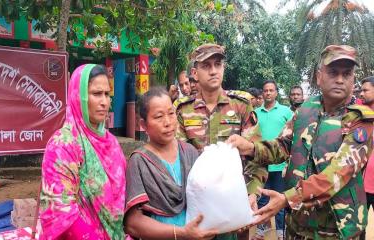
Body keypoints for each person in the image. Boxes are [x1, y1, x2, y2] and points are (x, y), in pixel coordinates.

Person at [227, 45, 374, 239]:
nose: (340, 79)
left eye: (346, 74)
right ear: (319, 76)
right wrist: (251, 147)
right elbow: (284, 145)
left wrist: (287, 199)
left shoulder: (360, 119)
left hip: (337, 229)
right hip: (298, 225)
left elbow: (337, 174)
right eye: (333, 72)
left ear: (353, 79)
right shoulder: (306, 109)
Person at [176, 43, 268, 239]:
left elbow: (256, 155)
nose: (213, 71)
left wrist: (251, 195)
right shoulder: (182, 110)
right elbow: (178, 160)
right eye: (206, 66)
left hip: (234, 207)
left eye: (218, 64)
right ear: (195, 72)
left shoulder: (241, 105)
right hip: (197, 210)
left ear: (224, 68)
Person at [39, 64, 127, 239]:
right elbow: (61, 210)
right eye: (96, 94)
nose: (104, 102)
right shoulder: (63, 145)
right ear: (78, 96)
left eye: (107, 94)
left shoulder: (112, 143)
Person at [124, 87, 217, 240]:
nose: (167, 122)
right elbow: (133, 223)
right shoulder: (139, 161)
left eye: (171, 113)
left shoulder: (190, 152)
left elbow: (203, 199)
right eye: (159, 116)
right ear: (144, 124)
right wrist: (181, 233)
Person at [254, 80, 293, 240]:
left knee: (280, 201)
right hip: (261, 166)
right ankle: (260, 231)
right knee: (261, 199)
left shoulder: (286, 111)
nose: (268, 93)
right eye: (265, 90)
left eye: (271, 90)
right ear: (262, 93)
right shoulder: (255, 113)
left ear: (276, 92)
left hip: (280, 166)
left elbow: (291, 133)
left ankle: (280, 233)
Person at [359, 76, 374, 212]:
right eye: (360, 90)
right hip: (359, 184)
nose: (361, 93)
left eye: (365, 90)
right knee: (357, 228)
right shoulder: (358, 115)